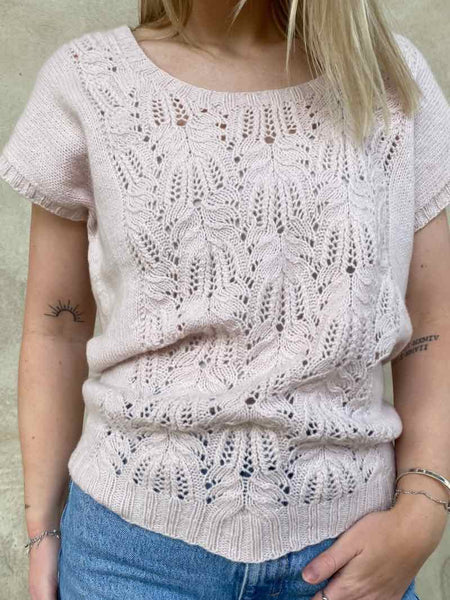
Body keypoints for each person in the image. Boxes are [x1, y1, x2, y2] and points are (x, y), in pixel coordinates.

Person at [0, 0, 449, 598]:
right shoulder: (88, 80)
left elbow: (432, 323)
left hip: (352, 556)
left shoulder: (389, 80)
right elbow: (57, 324)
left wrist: (423, 508)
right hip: (131, 556)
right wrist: (42, 532)